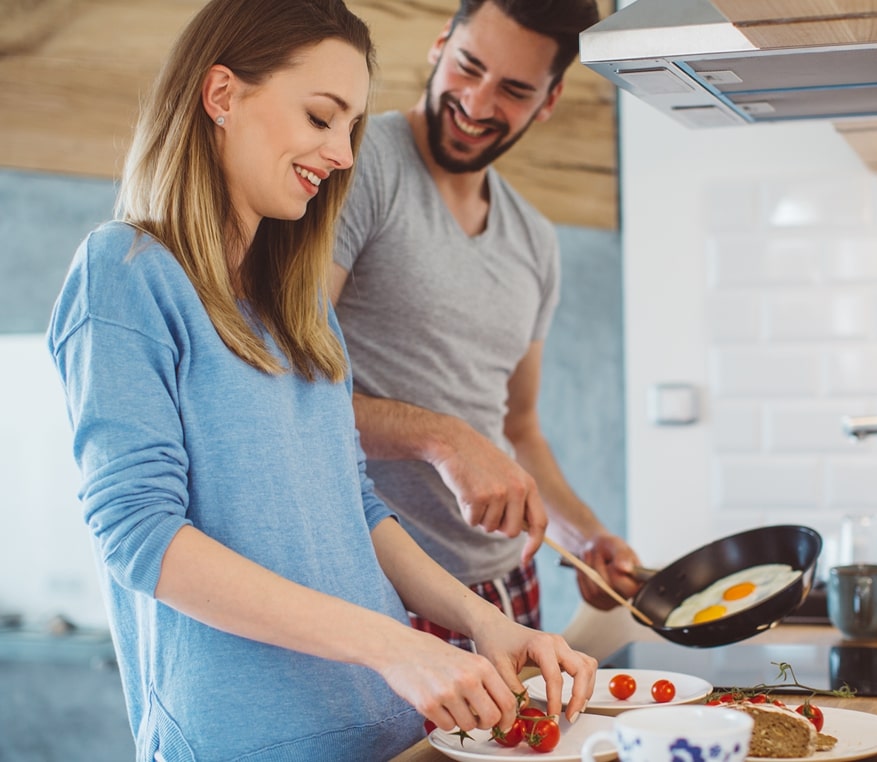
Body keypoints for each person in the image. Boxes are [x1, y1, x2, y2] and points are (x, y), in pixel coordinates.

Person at [45, 1, 595, 759]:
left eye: (352, 127)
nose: (340, 153)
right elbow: (140, 535)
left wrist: (484, 622)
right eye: (320, 117)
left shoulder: (301, 308)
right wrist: (395, 646)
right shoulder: (125, 272)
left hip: (390, 732)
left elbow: (355, 506)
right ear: (222, 94)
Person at [331, 0, 644, 650]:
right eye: (468, 67)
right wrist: (442, 438)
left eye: (514, 90)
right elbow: (286, 388)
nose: (476, 103)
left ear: (548, 101)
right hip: (383, 588)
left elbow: (518, 428)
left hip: (510, 585)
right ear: (440, 43)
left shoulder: (535, 240)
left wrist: (586, 535)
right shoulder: (357, 169)